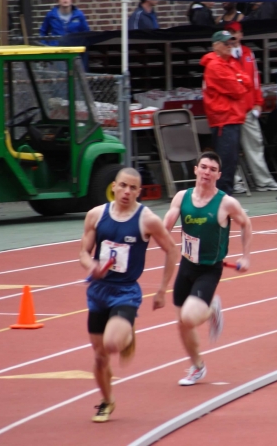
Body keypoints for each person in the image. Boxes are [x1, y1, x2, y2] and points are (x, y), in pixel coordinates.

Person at [79, 167, 179, 421]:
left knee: (112, 343)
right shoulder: (96, 215)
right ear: (114, 186)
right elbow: (83, 252)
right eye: (123, 185)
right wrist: (92, 267)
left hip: (125, 292)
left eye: (133, 188)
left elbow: (172, 251)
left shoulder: (147, 220)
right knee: (100, 356)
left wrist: (162, 289)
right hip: (98, 292)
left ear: (139, 192)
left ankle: (125, 328)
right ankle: (107, 400)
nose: (127, 192)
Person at [163, 151, 252, 385]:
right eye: (203, 167)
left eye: (212, 169)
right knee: (182, 324)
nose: (206, 172)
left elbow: (246, 223)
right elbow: (166, 225)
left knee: (190, 317)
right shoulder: (182, 197)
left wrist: (245, 256)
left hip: (209, 269)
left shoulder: (226, 203)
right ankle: (197, 367)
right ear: (195, 170)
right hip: (186, 265)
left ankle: (212, 307)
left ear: (219, 175)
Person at [226, 21, 277, 192]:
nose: (233, 36)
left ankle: (263, 181)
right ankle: (235, 182)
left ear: (241, 34)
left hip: (249, 109)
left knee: (256, 144)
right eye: (229, 33)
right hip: (231, 110)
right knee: (231, 147)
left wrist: (258, 103)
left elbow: (255, 81)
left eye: (235, 33)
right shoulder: (224, 55)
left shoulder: (247, 53)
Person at [200, 30, 252, 197]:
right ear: (216, 46)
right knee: (225, 164)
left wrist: (238, 79)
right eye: (225, 44)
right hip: (224, 120)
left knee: (230, 163)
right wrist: (239, 80)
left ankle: (224, 202)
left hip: (233, 119)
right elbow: (237, 89)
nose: (230, 46)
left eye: (231, 43)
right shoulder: (215, 65)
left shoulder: (231, 62)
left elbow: (248, 81)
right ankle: (222, 202)